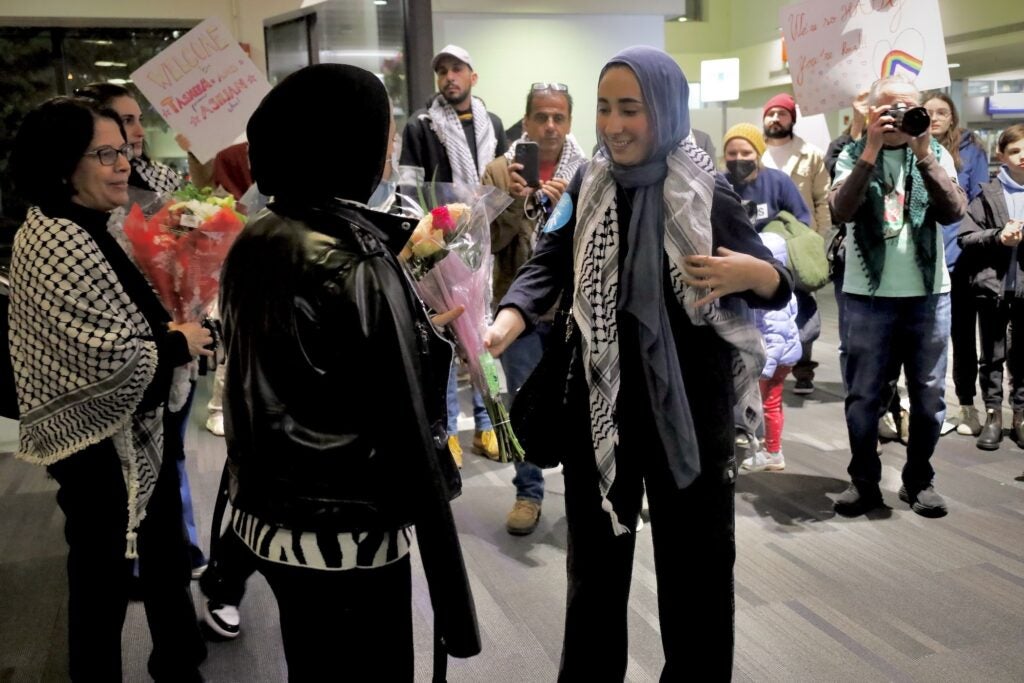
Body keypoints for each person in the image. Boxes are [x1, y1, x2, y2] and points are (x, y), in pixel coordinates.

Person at [485, 46, 792, 680]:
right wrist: (510, 316)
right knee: (594, 572)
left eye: (632, 108)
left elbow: (784, 285)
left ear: (667, 110)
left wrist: (753, 272)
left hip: (688, 415)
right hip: (602, 409)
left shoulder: (707, 191)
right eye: (604, 109)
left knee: (698, 573)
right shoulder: (588, 182)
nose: (613, 124)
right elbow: (550, 259)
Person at [219, 63, 479, 681]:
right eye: (380, 132)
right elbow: (398, 413)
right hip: (349, 522)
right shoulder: (355, 257)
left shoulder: (257, 237)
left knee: (312, 661)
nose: (388, 148)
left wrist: (412, 325)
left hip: (272, 512)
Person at [8, 96, 211, 681]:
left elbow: (140, 313)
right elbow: (106, 355)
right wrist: (178, 342)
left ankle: (179, 661)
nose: (123, 163)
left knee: (166, 557)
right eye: (105, 154)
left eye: (123, 150)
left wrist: (184, 316)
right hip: (94, 446)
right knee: (102, 581)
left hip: (142, 429)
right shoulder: (53, 239)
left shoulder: (107, 224)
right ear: (63, 164)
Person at [75, 81, 208, 576]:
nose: (131, 131)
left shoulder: (159, 180)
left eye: (135, 120)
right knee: (115, 465)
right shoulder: (88, 196)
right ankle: (128, 554)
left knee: (170, 451)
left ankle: (178, 548)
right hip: (121, 345)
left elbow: (195, 238)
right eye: (119, 120)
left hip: (174, 335)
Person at [829, 76, 966, 518]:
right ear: (869, 113)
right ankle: (864, 481)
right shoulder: (851, 154)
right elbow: (840, 209)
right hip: (867, 298)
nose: (895, 117)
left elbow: (953, 211)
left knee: (928, 398)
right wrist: (870, 149)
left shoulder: (935, 151)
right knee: (864, 397)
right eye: (885, 109)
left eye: (904, 108)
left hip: (928, 295)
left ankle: (919, 480)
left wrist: (923, 151)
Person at [482, 82, 587, 535]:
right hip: (516, 306)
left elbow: (590, 245)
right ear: (525, 122)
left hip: (571, 309)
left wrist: (566, 206)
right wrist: (520, 203)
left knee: (581, 401)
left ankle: (588, 489)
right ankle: (528, 493)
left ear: (568, 122)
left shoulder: (587, 171)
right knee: (521, 402)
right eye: (540, 117)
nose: (549, 126)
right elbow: (485, 241)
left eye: (558, 117)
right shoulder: (498, 173)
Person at [400, 44, 508, 464]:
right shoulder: (421, 126)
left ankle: (487, 424)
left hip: (484, 239)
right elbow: (409, 188)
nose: (449, 77)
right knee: (444, 337)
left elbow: (499, 178)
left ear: (472, 76)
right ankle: (448, 431)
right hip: (438, 246)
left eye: (457, 69)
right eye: (441, 70)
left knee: (480, 332)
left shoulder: (492, 123)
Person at [922, 92, 990, 438]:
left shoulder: (971, 150)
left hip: (960, 260)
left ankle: (967, 406)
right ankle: (925, 408)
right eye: (928, 112)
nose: (934, 118)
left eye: (941, 112)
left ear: (952, 117)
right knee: (924, 340)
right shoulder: (907, 149)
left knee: (963, 337)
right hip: (919, 263)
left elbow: (979, 204)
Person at [957, 124, 1024, 451]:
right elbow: (966, 237)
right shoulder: (987, 193)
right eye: (1015, 151)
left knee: (1023, 355)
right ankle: (994, 414)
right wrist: (998, 236)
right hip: (992, 287)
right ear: (1002, 156)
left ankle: (1021, 415)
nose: (1022, 156)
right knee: (992, 355)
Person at [762, 92, 832, 395]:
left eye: (783, 113)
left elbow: (823, 201)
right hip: (763, 241)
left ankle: (803, 369)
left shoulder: (811, 154)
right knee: (766, 304)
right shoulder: (753, 153)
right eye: (771, 113)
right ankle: (766, 364)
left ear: (792, 119)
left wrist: (819, 238)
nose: (776, 118)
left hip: (800, 242)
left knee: (802, 303)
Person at [743, 232, 802, 472]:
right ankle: (769, 447)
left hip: (773, 361)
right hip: (779, 358)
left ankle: (773, 452)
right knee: (771, 404)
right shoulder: (784, 292)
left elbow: (776, 336)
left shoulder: (773, 299)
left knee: (770, 405)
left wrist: (764, 369)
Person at [721, 122, 811, 231]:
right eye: (732, 153)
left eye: (746, 153)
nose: (739, 158)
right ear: (724, 155)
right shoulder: (719, 185)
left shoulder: (779, 182)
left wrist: (778, 242)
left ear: (758, 155)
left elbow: (802, 221)